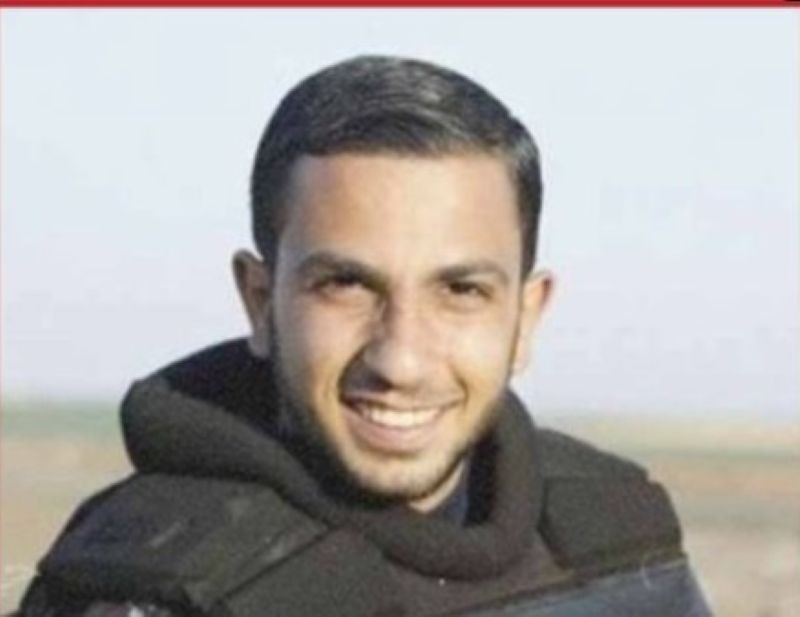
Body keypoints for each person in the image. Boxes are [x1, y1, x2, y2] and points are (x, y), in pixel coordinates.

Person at [17, 56, 711, 617]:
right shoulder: (151, 589)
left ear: (527, 317)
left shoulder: (618, 542)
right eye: (346, 285)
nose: (401, 359)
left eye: (460, 290)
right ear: (260, 300)